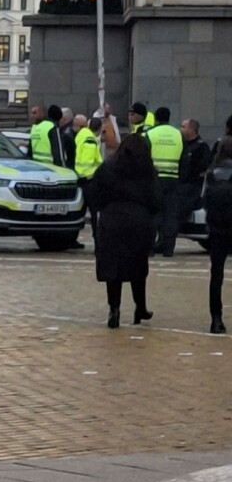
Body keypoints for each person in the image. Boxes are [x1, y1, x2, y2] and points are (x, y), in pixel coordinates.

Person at [88, 134, 162, 328]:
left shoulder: (107, 168)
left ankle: (114, 309)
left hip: (112, 219)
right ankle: (140, 307)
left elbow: (95, 195)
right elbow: (156, 201)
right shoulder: (148, 171)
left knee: (113, 267)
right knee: (138, 265)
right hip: (139, 220)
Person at [202, 137, 232, 334]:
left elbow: (204, 198)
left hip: (217, 227)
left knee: (217, 273)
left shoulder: (211, 173)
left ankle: (216, 317)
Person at [145, 106, 183, 255]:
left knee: (153, 213)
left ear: (155, 118)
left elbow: (145, 157)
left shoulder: (150, 134)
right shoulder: (178, 134)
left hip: (155, 179)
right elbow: (184, 159)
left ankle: (150, 248)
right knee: (170, 214)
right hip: (173, 179)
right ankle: (168, 248)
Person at [177, 118, 212, 238]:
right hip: (180, 184)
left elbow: (204, 167)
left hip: (193, 186)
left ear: (192, 129)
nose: (180, 129)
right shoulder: (181, 144)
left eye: (183, 126)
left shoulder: (201, 147)